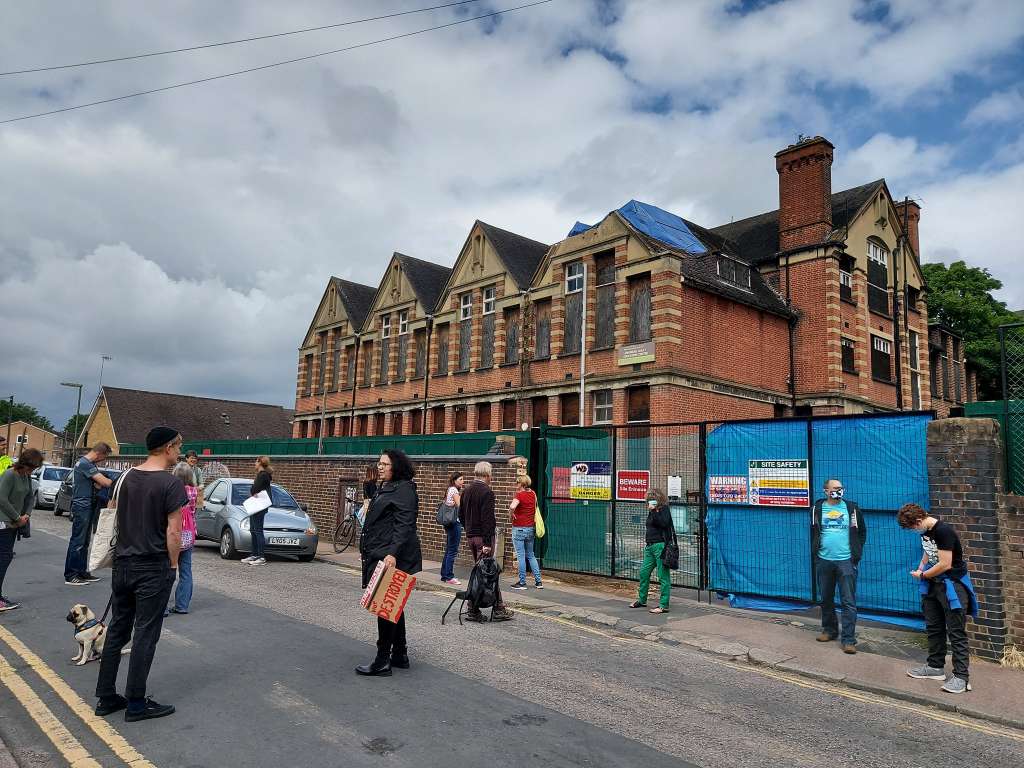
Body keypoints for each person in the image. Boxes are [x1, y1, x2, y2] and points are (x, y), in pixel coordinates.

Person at [94, 426, 185, 722]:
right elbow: (174, 532)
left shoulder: (125, 478)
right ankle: (136, 703)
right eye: (179, 446)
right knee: (146, 633)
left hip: (122, 564)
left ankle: (106, 697)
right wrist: (173, 566)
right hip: (152, 566)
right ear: (168, 447)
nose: (180, 452)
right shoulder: (171, 485)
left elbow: (113, 512)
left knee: (118, 630)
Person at [355, 449, 422, 677]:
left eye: (385, 464)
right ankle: (400, 654)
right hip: (382, 552)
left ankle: (382, 660)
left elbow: (405, 525)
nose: (380, 466)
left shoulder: (403, 489)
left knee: (384, 607)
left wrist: (392, 554)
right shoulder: (387, 487)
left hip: (392, 556)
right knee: (392, 605)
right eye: (379, 463)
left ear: (396, 467)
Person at [899, 503, 978, 695]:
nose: (913, 531)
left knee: (956, 632)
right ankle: (935, 668)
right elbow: (928, 554)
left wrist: (923, 576)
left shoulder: (943, 532)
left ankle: (961, 677)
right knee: (934, 627)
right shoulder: (926, 531)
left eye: (912, 527)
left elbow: (944, 564)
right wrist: (921, 568)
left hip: (952, 586)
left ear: (918, 521)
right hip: (933, 585)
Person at [811, 478, 866, 654]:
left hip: (846, 562)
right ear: (826, 491)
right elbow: (814, 531)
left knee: (848, 601)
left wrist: (855, 555)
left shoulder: (851, 508)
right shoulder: (817, 509)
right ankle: (829, 630)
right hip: (824, 560)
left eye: (841, 488)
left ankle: (849, 639)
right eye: (835, 488)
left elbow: (861, 532)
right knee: (825, 598)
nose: (838, 491)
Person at [458, 461, 512, 622]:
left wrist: (468, 530)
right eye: (491, 475)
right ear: (488, 475)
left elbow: (461, 514)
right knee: (488, 574)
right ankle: (478, 609)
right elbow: (488, 520)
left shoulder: (466, 490)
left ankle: (493, 607)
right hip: (483, 538)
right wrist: (488, 543)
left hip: (471, 537)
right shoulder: (487, 492)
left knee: (481, 572)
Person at [64, 442, 113, 586]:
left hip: (87, 504)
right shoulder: (85, 464)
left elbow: (97, 484)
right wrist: (109, 480)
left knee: (84, 542)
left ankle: (81, 571)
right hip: (82, 505)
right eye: (104, 457)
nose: (103, 461)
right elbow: (106, 482)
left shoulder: (87, 464)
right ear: (100, 453)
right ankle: (71, 574)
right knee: (78, 541)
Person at [0, 448, 42, 612]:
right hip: (4, 522)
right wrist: (17, 518)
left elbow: (30, 496)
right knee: (3, 559)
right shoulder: (10, 475)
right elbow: (1, 498)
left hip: (14, 523)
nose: (31, 471)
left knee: (5, 558)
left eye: (33, 469)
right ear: (23, 463)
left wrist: (27, 514)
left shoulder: (26, 476)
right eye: (30, 467)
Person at [630, 489, 674, 614]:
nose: (649, 502)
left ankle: (663, 605)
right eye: (648, 500)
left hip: (660, 545)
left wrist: (654, 511)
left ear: (658, 500)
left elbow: (664, 523)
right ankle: (642, 599)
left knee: (662, 576)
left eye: (652, 500)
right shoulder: (652, 512)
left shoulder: (663, 509)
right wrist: (653, 511)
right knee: (644, 572)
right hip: (649, 547)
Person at [165, 463, 198, 615]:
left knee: (166, 570)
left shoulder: (172, 490)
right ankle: (182, 605)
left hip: (174, 533)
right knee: (186, 572)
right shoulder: (194, 491)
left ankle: (162, 607)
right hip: (188, 535)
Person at [508, 474, 543, 590]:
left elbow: (512, 506)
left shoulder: (519, 495)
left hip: (519, 529)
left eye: (517, 482)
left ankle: (522, 583)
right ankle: (538, 582)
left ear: (522, 484)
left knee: (521, 556)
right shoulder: (533, 494)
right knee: (531, 555)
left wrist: (511, 515)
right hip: (530, 529)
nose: (516, 484)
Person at [243, 456, 273, 566]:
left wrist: (253, 491)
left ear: (260, 462)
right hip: (255, 506)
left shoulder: (263, 475)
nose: (254, 464)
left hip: (260, 507)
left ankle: (261, 556)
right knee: (253, 529)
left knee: (258, 530)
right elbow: (254, 490)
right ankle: (254, 554)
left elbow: (253, 490)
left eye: (256, 462)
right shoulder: (261, 475)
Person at [440, 473, 464, 585]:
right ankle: (449, 576)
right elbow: (460, 506)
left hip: (448, 523)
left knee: (449, 549)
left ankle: (444, 575)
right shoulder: (454, 490)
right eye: (461, 479)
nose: (462, 481)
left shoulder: (449, 489)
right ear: (454, 480)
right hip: (454, 522)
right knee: (452, 551)